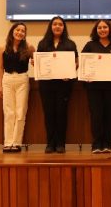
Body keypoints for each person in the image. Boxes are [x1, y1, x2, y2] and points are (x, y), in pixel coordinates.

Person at [81, 20, 111, 154]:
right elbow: (83, 64)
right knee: (96, 115)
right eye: (99, 27)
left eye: (105, 27)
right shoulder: (89, 45)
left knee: (109, 115)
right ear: (96, 30)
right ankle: (96, 144)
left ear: (109, 29)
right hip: (94, 87)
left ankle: (107, 143)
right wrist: (85, 74)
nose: (102, 30)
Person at [37, 16, 78, 154]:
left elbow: (76, 63)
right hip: (46, 85)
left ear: (64, 27)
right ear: (51, 26)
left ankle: (60, 144)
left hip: (64, 85)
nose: (57, 26)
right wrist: (36, 64)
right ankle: (50, 143)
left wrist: (70, 72)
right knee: (49, 114)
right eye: (55, 24)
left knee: (61, 114)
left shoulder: (70, 44)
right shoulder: (43, 44)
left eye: (60, 24)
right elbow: (40, 63)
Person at [0, 22, 35, 153]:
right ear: (12, 31)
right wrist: (0, 85)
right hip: (7, 79)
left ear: (25, 34)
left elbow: (38, 63)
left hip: (22, 79)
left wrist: (34, 61)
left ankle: (17, 143)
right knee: (9, 112)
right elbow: (1, 68)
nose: (20, 32)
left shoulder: (29, 48)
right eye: (17, 30)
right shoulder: (2, 48)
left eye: (23, 31)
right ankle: (8, 143)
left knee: (20, 112)